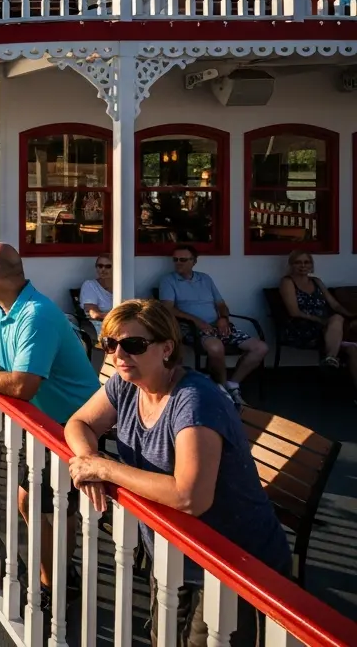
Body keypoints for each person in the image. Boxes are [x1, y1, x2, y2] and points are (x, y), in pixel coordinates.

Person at [66, 300, 291, 647]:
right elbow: (80, 422)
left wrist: (104, 467)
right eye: (111, 344)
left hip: (231, 562)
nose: (119, 354)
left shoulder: (194, 401)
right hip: (173, 553)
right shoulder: (128, 382)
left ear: (167, 348)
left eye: (134, 345)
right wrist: (88, 457)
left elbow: (191, 497)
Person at [0, 243, 100, 597]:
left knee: (40, 503)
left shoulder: (36, 315)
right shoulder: (1, 308)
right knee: (51, 504)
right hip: (42, 421)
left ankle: (50, 584)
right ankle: (59, 567)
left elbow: (22, 384)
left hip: (69, 424)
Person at [159, 245, 268, 408]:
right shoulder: (169, 280)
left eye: (183, 259)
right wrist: (197, 321)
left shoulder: (205, 278)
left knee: (260, 347)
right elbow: (168, 308)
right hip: (192, 329)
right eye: (175, 260)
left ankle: (233, 384)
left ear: (194, 261)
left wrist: (223, 318)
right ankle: (222, 389)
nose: (178, 263)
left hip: (217, 325)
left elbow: (221, 304)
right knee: (216, 348)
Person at [279, 250, 357, 397]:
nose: (303, 266)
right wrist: (321, 320)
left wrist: (351, 315)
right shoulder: (287, 282)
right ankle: (332, 357)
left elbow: (335, 305)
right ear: (291, 265)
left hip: (328, 327)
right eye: (298, 262)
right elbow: (294, 312)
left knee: (352, 349)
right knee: (338, 321)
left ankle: (331, 360)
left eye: (306, 262)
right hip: (302, 327)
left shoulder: (316, 282)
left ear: (311, 265)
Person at [78, 254, 114, 334]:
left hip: (119, 324)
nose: (103, 269)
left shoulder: (121, 286)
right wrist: (117, 317)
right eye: (100, 266)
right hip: (100, 327)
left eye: (108, 266)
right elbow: (94, 314)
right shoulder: (90, 285)